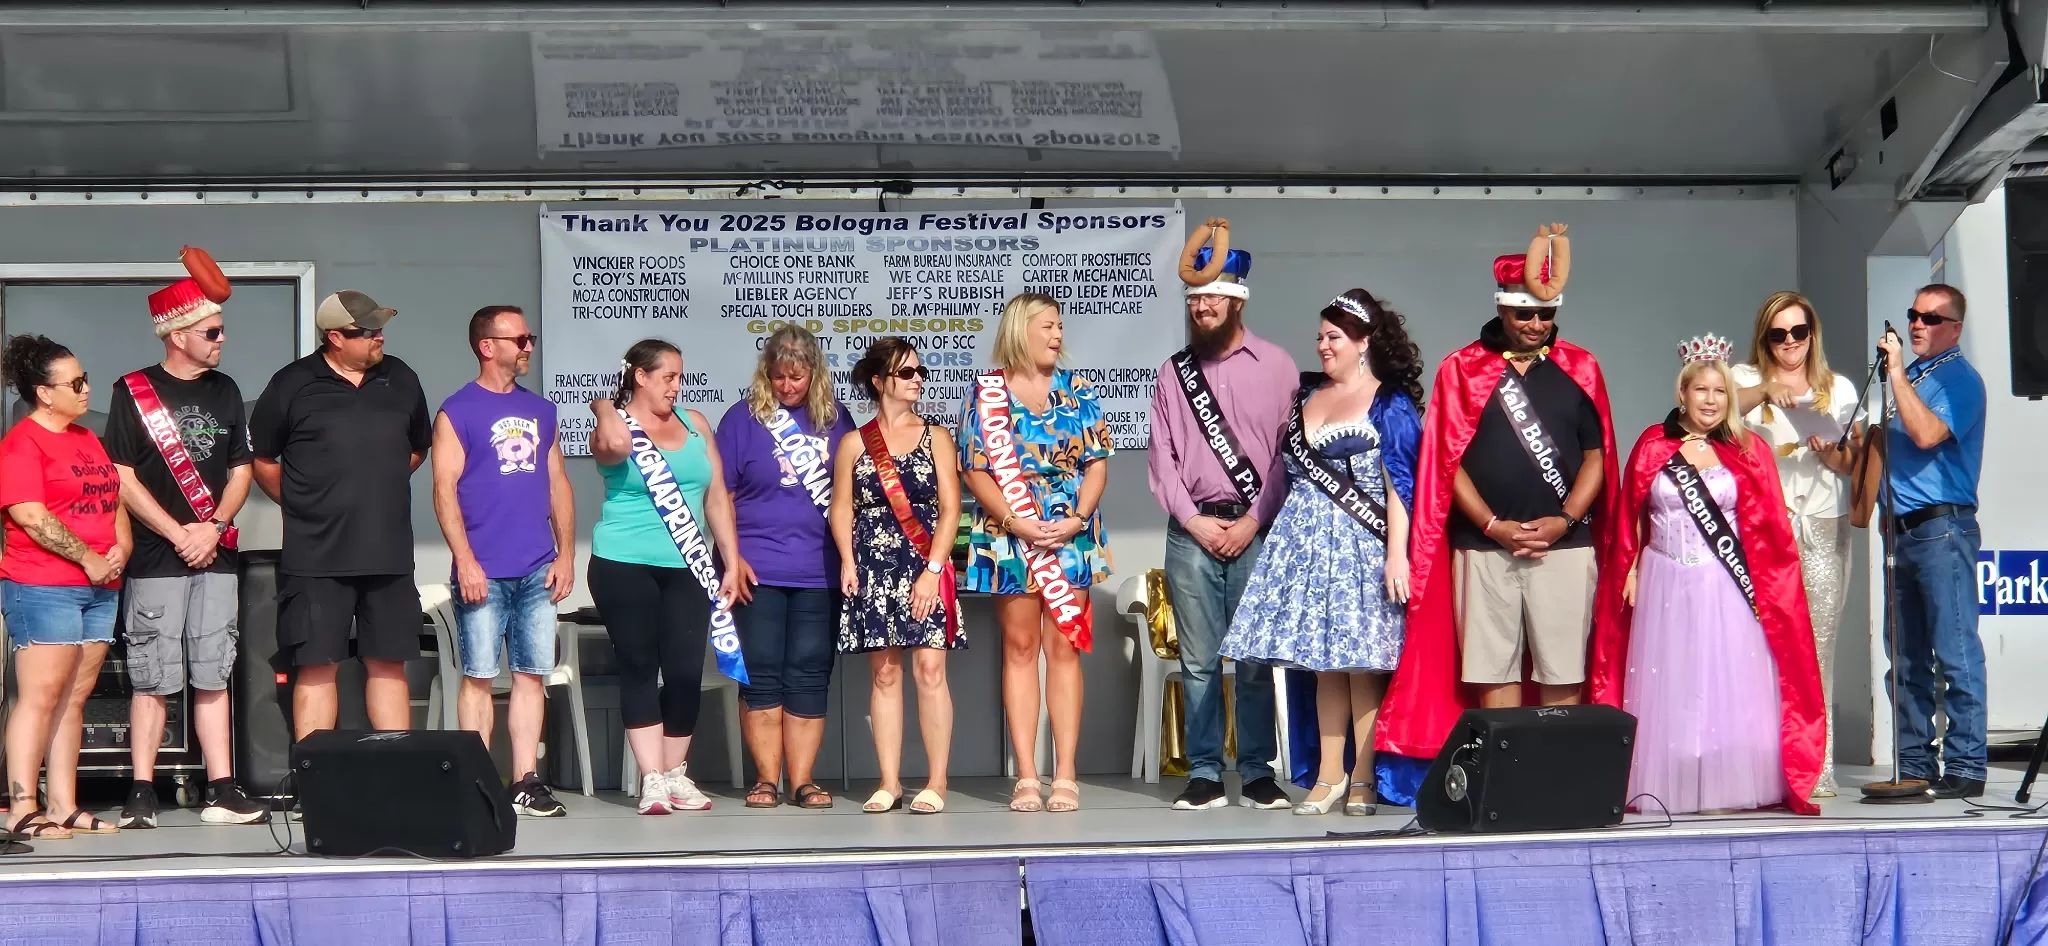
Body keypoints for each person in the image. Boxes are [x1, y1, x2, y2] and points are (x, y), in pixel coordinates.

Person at [1377, 225, 1619, 804]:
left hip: (1565, 546)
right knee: (1493, 673)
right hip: (1485, 547)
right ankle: (1505, 790)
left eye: (1546, 315)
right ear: (1501, 308)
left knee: (1563, 671)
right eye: (1524, 314)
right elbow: (1446, 462)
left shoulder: (1581, 368)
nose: (1536, 325)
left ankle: (1558, 790)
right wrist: (1491, 524)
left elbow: (1597, 456)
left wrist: (1565, 519)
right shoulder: (1461, 369)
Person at [1589, 337, 1825, 815]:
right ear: (1683, 393)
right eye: (1701, 390)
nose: (1711, 400)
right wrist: (1629, 567)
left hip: (1725, 583)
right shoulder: (1653, 445)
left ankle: (1726, 778)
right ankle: (1672, 778)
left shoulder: (1748, 449)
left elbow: (1768, 529)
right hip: (1663, 579)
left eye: (1720, 391)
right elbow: (1631, 514)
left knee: (1725, 681)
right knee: (1670, 683)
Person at [1223, 290, 1423, 817]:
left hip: (1362, 548)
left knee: (1362, 667)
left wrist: (1397, 555)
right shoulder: (1306, 395)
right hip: (1305, 547)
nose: (1323, 346)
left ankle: (1363, 778)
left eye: (1334, 337)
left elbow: (1400, 488)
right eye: (1319, 337)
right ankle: (1329, 775)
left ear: (1364, 342)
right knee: (1323, 667)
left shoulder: (1389, 403)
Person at [104, 251, 270, 828]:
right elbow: (122, 475)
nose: (223, 340)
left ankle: (222, 788)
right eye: (212, 332)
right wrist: (179, 532)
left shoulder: (226, 389)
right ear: (177, 335)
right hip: (157, 557)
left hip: (215, 554)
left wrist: (214, 527)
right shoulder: (133, 391)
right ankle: (142, 792)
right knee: (152, 676)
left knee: (212, 671)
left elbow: (241, 468)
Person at [1146, 219, 1298, 812]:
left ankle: (1258, 772)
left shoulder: (1279, 366)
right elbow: (1162, 458)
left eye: (1211, 298)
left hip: (1257, 530)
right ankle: (1205, 772)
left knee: (1256, 659)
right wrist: (1194, 520)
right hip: (1192, 532)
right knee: (1199, 661)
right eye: (1193, 299)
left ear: (1237, 301)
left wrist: (1254, 519)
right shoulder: (1172, 372)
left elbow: (1289, 455)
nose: (1201, 307)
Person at [252, 291, 431, 740]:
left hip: (388, 552)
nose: (379, 337)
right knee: (317, 664)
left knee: (388, 662)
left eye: (380, 328)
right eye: (367, 331)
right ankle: (315, 771)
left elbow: (416, 449)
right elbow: (263, 460)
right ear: (335, 337)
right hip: (316, 555)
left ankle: (394, 764)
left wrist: (377, 488)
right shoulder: (292, 383)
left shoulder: (401, 378)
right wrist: (304, 503)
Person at [959, 293, 1113, 814]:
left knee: (1065, 648)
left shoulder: (1079, 389)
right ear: (1020, 330)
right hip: (1010, 532)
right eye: (1047, 325)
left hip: (1070, 532)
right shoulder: (987, 392)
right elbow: (975, 468)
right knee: (1020, 648)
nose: (1057, 335)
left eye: (1059, 326)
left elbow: (1096, 463)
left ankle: (1065, 773)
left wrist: (1077, 518)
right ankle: (1026, 775)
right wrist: (1015, 520)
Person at [588, 338, 746, 814]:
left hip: (688, 564)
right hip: (624, 561)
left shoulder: (695, 423)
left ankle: (675, 773)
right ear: (640, 376)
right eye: (667, 377)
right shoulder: (615, 426)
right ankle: (651, 777)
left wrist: (730, 559)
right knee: (639, 665)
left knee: (683, 670)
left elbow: (715, 496)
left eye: (679, 377)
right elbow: (616, 447)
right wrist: (604, 406)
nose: (676, 386)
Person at [431, 305, 576, 818]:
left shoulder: (542, 410)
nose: (529, 346)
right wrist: (465, 560)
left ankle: (525, 780)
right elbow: (444, 491)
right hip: (483, 569)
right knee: (477, 676)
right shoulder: (457, 411)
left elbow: (558, 484)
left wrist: (566, 553)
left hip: (537, 565)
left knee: (531, 674)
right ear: (487, 346)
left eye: (530, 338)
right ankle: (475, 781)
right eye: (519, 339)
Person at [1729, 291, 1861, 798]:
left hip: (1822, 524)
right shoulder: (1743, 378)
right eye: (1778, 334)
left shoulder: (1838, 388)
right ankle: (1760, 763)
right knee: (1759, 644)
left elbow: (1854, 463)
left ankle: (1817, 764)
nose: (1789, 343)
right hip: (1764, 528)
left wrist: (1832, 455)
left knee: (1818, 646)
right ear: (1764, 338)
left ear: (1812, 335)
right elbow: (1715, 417)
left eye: (1798, 332)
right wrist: (1765, 390)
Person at [716, 325, 853, 810]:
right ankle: (765, 780)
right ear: (765, 374)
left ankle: (803, 781)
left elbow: (849, 494)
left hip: (819, 570)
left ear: (814, 374)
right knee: (760, 673)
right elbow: (721, 496)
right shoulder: (742, 419)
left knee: (810, 673)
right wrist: (732, 558)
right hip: (757, 570)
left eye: (797, 377)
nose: (787, 386)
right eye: (778, 377)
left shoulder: (836, 420)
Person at [0, 334, 127, 840]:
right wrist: (89, 558)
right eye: (75, 383)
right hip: (43, 584)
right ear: (44, 393)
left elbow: (112, 498)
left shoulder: (86, 438)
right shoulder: (22, 443)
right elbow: (30, 516)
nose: (86, 388)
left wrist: (120, 549)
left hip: (99, 585)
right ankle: (21, 807)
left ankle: (63, 804)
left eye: (85, 378)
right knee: (39, 697)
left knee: (75, 697)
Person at [833, 337, 963, 815]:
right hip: (873, 564)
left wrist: (933, 571)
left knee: (930, 670)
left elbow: (951, 509)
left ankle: (936, 781)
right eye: (907, 372)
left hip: (925, 563)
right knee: (885, 674)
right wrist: (847, 560)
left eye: (920, 371)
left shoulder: (937, 436)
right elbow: (841, 507)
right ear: (878, 380)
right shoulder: (854, 442)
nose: (917, 379)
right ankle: (889, 782)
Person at [1876, 284, 1987, 800]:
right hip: (1902, 531)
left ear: (1956, 329)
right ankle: (1914, 764)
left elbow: (1925, 435)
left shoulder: (1959, 379)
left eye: (1931, 318)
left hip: (1943, 528)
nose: (1918, 324)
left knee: (1955, 651)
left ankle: (1966, 765)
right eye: (1913, 315)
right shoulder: (1916, 376)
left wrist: (1897, 373)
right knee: (1906, 657)